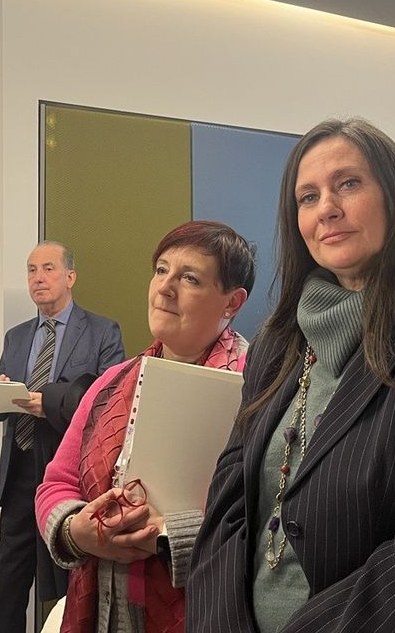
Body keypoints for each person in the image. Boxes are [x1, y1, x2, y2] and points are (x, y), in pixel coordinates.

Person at [186, 118, 395, 632]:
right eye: (308, 197)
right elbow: (228, 506)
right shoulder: (278, 342)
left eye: (348, 183)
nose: (327, 207)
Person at [35, 220, 256, 632]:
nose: (165, 288)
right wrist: (76, 529)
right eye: (161, 270)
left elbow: (269, 515)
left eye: (189, 278)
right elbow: (56, 483)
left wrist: (169, 536)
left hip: (205, 612)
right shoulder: (113, 382)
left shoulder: (258, 388)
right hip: (105, 610)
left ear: (232, 302)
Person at [0, 241, 124, 633]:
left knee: (70, 583)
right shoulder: (15, 337)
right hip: (19, 473)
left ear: (70, 277)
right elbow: (1, 408)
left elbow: (111, 401)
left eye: (48, 268)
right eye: (31, 270)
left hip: (69, 476)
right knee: (8, 582)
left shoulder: (101, 331)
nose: (38, 278)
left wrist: (51, 404)